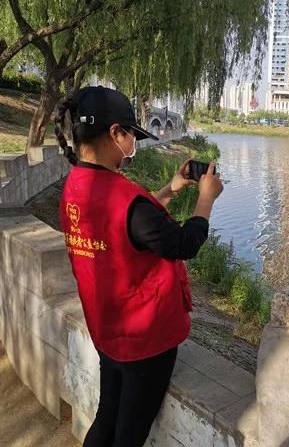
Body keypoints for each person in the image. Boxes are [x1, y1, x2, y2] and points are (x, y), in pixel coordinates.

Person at [55, 86, 223, 446]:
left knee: (106, 418)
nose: (134, 143)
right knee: (129, 435)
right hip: (145, 339)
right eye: (132, 134)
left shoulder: (77, 186)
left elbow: (127, 226)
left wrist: (172, 188)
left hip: (107, 326)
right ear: (115, 133)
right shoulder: (125, 199)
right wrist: (206, 199)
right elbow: (183, 243)